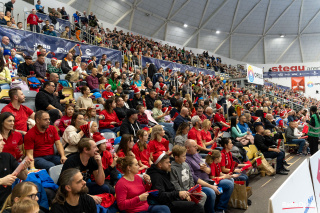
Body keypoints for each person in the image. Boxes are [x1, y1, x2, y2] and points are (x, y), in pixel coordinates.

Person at [185, 139, 234, 213]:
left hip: (208, 180)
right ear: (188, 148)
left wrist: (206, 169)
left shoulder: (196, 154)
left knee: (229, 183)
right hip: (200, 184)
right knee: (211, 192)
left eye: (196, 146)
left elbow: (209, 170)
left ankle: (220, 209)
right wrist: (211, 186)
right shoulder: (186, 160)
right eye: (194, 146)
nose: (197, 148)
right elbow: (194, 178)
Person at [0, 133, 30, 208]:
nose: (3, 142)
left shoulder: (7, 157)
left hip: (6, 202)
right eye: (0, 140)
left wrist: (23, 169)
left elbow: (24, 177)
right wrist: (1, 181)